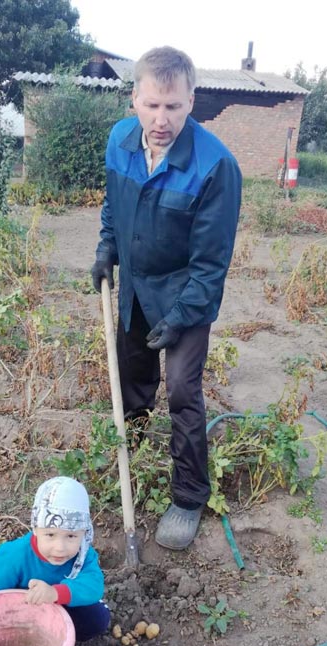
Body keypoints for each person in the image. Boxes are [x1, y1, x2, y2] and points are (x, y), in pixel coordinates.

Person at [91, 46, 242, 551]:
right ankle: (126, 458)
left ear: (191, 101)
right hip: (134, 286)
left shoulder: (216, 166)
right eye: (152, 105)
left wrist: (180, 318)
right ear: (134, 97)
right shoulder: (119, 140)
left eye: (174, 107)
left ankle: (189, 495)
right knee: (132, 378)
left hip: (186, 297)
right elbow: (114, 206)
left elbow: (210, 266)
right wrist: (106, 248)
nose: (161, 119)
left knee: (181, 390)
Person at [0, 476, 110, 642]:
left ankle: (59, 639)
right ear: (35, 529)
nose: (60, 547)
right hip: (19, 611)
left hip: (61, 604)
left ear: (84, 533)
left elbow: (93, 584)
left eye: (71, 536)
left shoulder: (83, 554)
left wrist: (55, 593)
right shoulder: (15, 555)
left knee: (98, 619)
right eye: (50, 535)